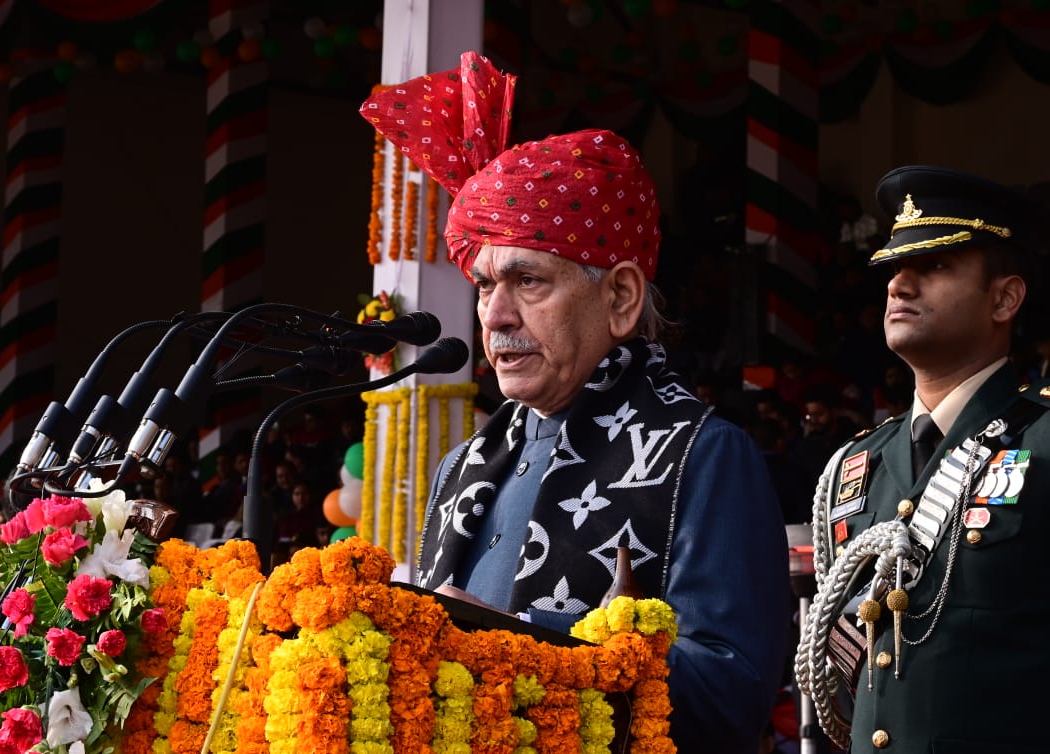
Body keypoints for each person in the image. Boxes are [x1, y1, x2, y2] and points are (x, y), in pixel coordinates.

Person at [361, 52, 790, 754]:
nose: (493, 316)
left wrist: (514, 645)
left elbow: (731, 699)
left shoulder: (704, 456)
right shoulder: (464, 464)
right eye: (482, 285)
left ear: (619, 297)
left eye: (527, 281)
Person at [795, 165, 1050, 753]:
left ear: (1005, 298)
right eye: (894, 269)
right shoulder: (855, 467)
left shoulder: (1043, 441)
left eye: (934, 266)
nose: (899, 286)